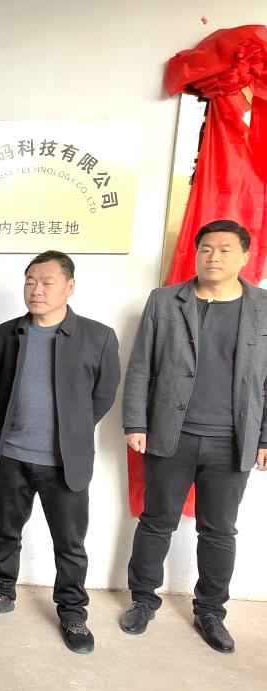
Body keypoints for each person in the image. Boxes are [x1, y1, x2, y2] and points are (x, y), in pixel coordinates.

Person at [121, 219, 267, 653]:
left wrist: (264, 438)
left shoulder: (263, 307)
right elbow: (141, 365)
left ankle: (211, 612)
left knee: (219, 530)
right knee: (156, 521)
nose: (213, 257)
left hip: (233, 440)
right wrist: (135, 423)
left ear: (245, 256)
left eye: (224, 249)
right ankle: (143, 600)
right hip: (171, 434)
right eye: (206, 248)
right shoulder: (165, 300)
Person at [0, 251, 119, 653]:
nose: (36, 290)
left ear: (70, 287)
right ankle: (1, 591)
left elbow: (103, 396)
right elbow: (1, 384)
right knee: (5, 532)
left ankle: (72, 612)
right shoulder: (5, 334)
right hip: (13, 456)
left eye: (47, 282)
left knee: (69, 543)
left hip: (64, 462)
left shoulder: (98, 336)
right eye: (30, 281)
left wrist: (71, 430)